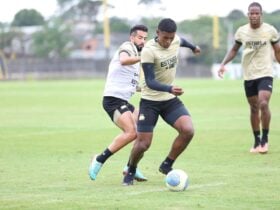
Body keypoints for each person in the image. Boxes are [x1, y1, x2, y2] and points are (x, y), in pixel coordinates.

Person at [122, 18, 201, 185]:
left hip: (169, 100)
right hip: (150, 101)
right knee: (143, 144)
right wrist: (170, 88)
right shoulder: (148, 50)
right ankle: (131, 170)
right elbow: (150, 81)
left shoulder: (175, 40)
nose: (168, 41)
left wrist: (193, 47)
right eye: (165, 37)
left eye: (171, 38)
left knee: (188, 130)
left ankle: (167, 165)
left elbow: (182, 41)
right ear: (157, 33)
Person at [218, 2, 280, 154]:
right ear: (248, 15)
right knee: (254, 108)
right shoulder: (241, 32)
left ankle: (265, 140)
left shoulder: (270, 30)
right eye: (251, 13)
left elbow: (277, 50)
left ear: (261, 14)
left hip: (265, 73)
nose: (253, 16)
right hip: (249, 75)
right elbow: (234, 49)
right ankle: (256, 140)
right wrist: (223, 64)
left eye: (256, 13)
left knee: (263, 103)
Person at [89, 24, 148, 181]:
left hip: (124, 100)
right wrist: (144, 57)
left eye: (145, 38)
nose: (143, 41)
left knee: (144, 131)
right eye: (140, 37)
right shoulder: (127, 47)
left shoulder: (136, 56)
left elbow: (132, 84)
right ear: (132, 37)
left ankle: (130, 167)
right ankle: (99, 159)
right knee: (132, 132)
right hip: (113, 100)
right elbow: (123, 60)